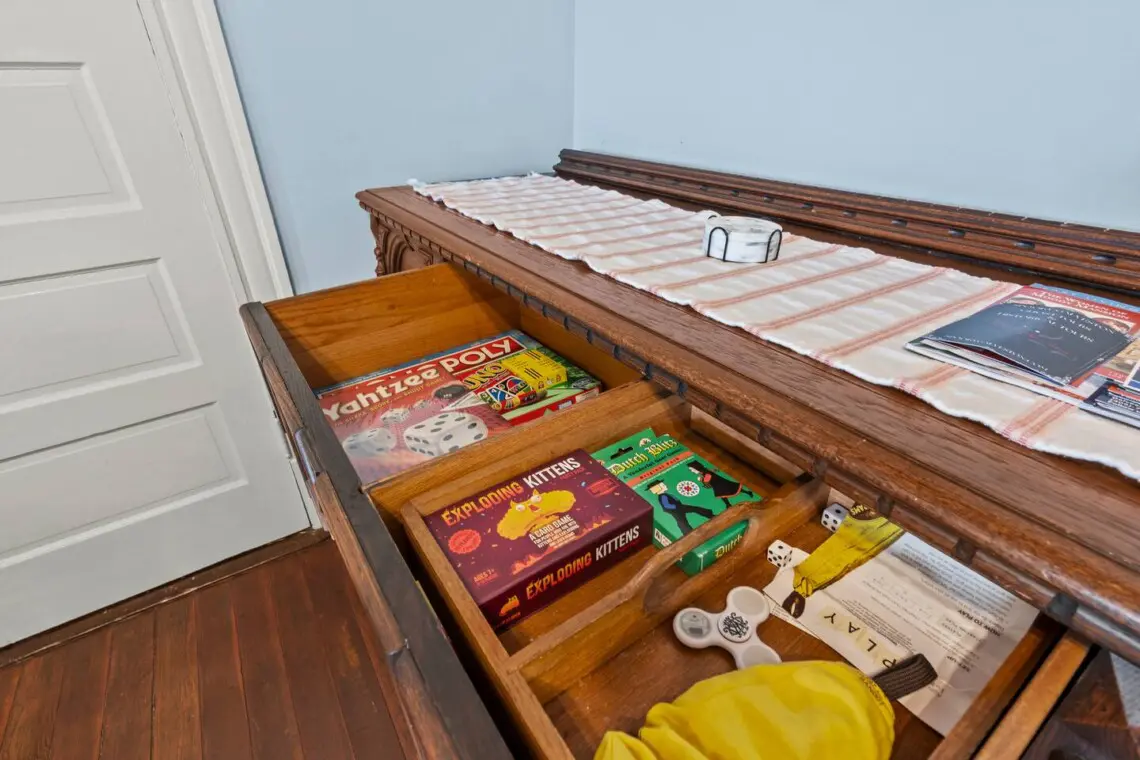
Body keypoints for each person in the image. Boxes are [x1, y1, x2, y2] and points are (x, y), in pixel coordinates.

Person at [647, 480, 713, 536]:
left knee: (693, 510)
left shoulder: (665, 495)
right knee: (682, 521)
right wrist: (676, 507)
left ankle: (709, 514)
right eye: (663, 485)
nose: (665, 485)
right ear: (657, 488)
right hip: (676, 510)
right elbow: (666, 505)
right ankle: (688, 533)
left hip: (679, 507)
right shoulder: (662, 496)